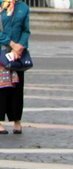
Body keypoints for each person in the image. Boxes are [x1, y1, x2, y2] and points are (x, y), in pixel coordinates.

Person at [0, 0, 30, 135]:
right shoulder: (1, 5)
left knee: (17, 87)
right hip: (2, 50)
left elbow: (26, 30)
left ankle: (17, 120)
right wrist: (11, 44)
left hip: (17, 53)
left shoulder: (23, 7)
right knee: (1, 88)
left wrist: (20, 47)